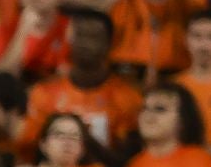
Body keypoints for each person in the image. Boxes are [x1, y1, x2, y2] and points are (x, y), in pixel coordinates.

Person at [18, 9, 142, 156]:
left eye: (94, 37)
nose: (85, 43)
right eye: (80, 35)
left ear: (109, 43)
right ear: (69, 38)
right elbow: (30, 149)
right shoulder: (43, 93)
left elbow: (127, 157)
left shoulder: (128, 98)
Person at [178, 10, 211, 158]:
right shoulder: (174, 88)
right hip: (181, 165)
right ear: (186, 39)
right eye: (197, 36)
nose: (204, 45)